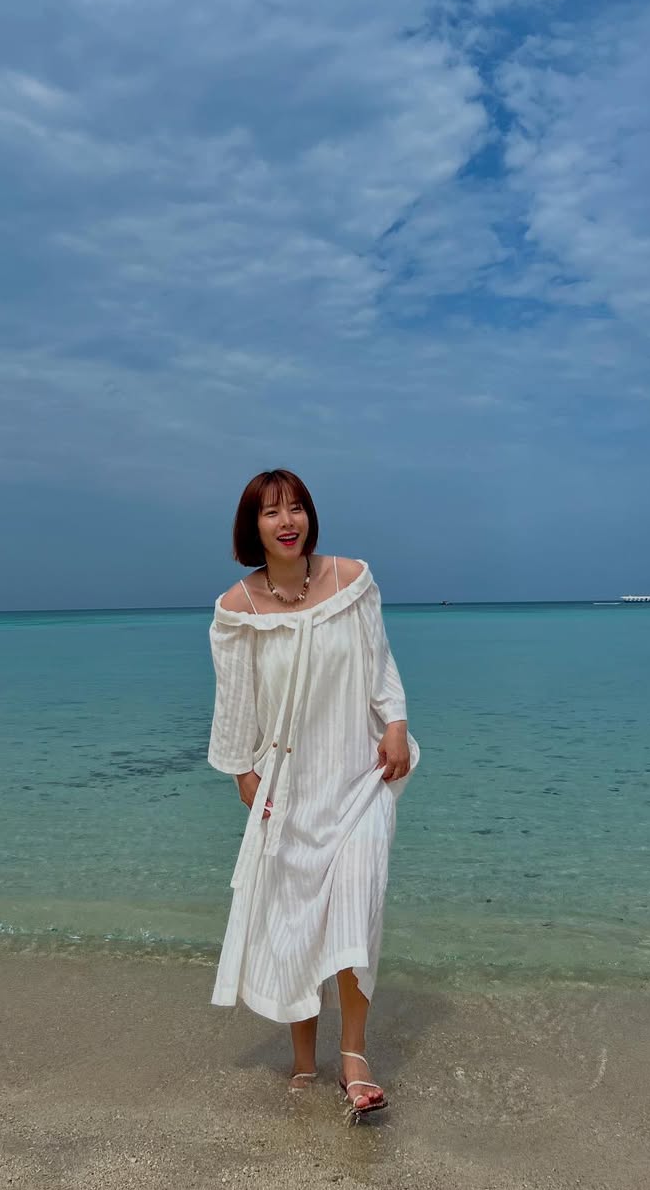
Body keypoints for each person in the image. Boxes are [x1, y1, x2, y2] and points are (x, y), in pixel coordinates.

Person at [207, 468, 419, 1120]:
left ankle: (353, 1058)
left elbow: (379, 662)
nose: (287, 521)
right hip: (290, 789)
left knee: (356, 905)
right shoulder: (237, 609)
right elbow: (236, 702)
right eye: (272, 512)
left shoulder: (351, 580)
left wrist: (395, 723)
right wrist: (244, 774)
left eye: (296, 508)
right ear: (253, 526)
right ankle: (304, 1060)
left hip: (359, 778)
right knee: (297, 918)